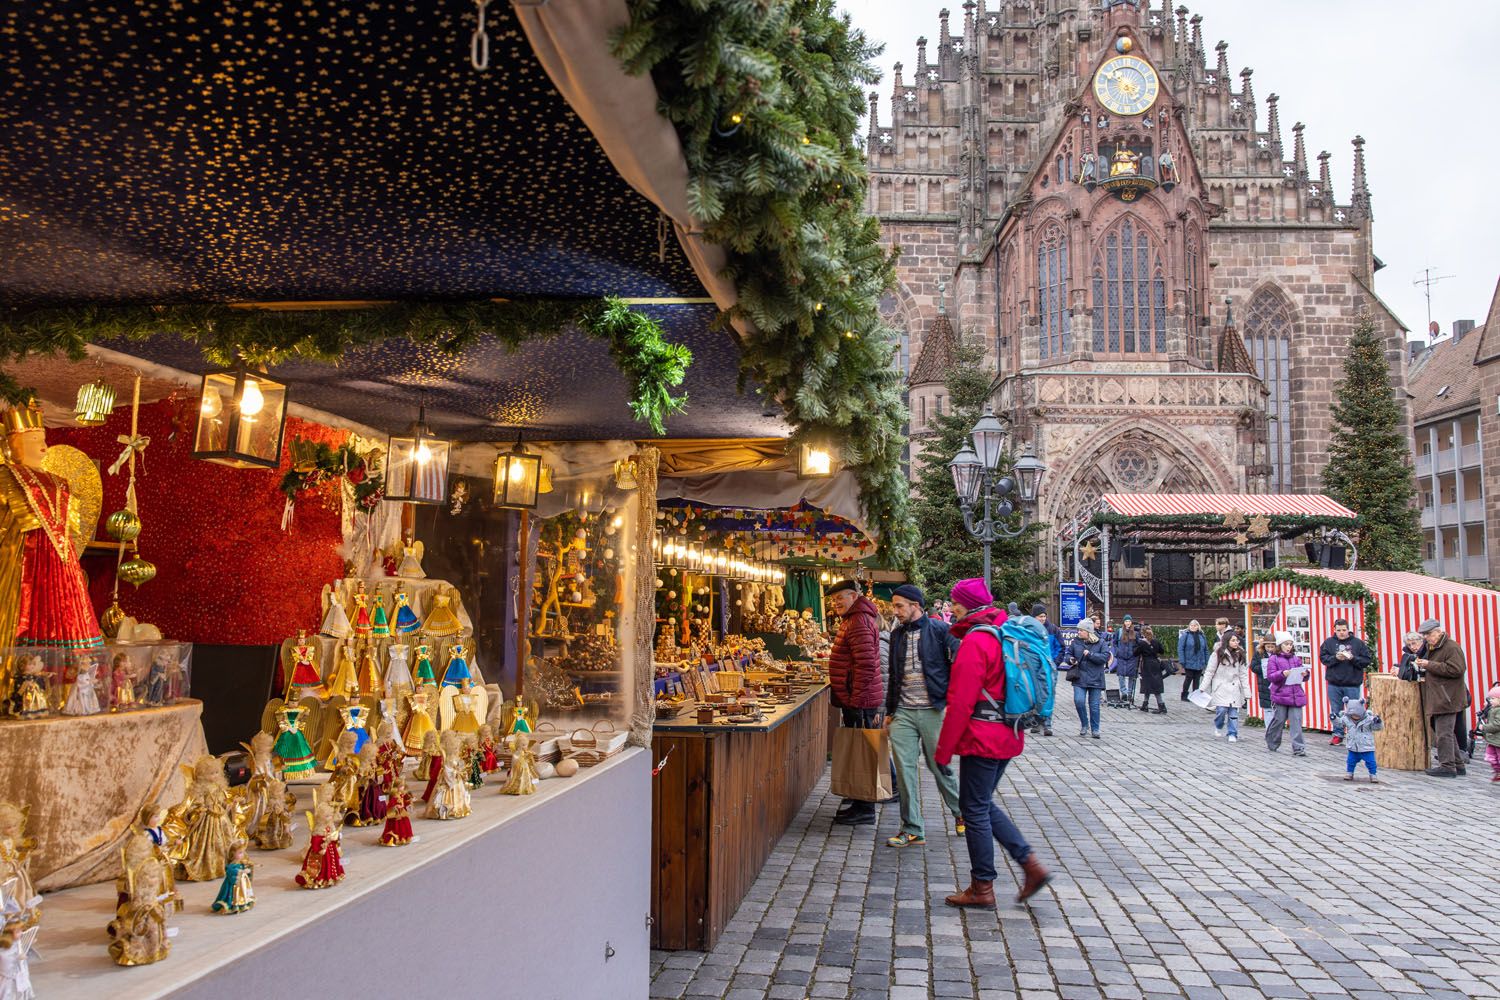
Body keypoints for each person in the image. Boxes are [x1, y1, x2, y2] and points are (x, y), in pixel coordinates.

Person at [935, 579, 1050, 908]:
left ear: (967, 605)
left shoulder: (976, 641)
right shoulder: (1001, 632)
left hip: (982, 738)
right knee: (979, 802)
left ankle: (983, 886)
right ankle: (1031, 866)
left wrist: (943, 751)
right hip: (1008, 732)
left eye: (955, 602)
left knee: (973, 808)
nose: (950, 607)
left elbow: (960, 702)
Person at [884, 584, 962, 847]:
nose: (896, 611)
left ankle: (961, 812)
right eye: (894, 606)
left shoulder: (940, 630)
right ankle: (912, 827)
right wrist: (890, 710)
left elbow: (960, 661)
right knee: (905, 771)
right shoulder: (897, 635)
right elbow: (894, 675)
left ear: (915, 605)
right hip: (904, 711)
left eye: (899, 606)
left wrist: (952, 698)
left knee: (939, 767)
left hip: (933, 710)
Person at [827, 579, 886, 824]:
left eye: (841, 598)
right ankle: (860, 800)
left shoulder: (858, 621)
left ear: (853, 596)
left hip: (860, 698)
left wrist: (856, 699)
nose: (836, 603)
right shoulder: (855, 619)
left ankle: (865, 808)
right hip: (858, 696)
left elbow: (866, 664)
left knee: (866, 750)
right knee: (865, 749)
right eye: (833, 600)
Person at [1415, 618, 1469, 778]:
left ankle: (1447, 767)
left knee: (1443, 733)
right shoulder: (1436, 646)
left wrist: (1429, 664)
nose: (1427, 638)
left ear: (1439, 632)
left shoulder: (1451, 647)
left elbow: (1457, 669)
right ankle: (1457, 765)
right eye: (1425, 635)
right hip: (1442, 696)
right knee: (1446, 732)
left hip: (1448, 697)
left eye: (1429, 634)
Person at [1318, 618, 1373, 747]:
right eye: (1339, 630)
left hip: (1352, 683)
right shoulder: (1328, 643)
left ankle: (1355, 735)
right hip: (1334, 683)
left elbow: (1366, 660)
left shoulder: (1358, 643)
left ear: (1348, 629)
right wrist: (1335, 658)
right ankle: (1338, 735)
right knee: (1336, 711)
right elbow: (1323, 659)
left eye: (1344, 630)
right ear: (1334, 630)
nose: (1341, 633)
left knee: (1354, 711)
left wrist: (1353, 658)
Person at [1264, 631, 1308, 756]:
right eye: (1286, 644)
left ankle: (1299, 748)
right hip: (1281, 694)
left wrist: (1305, 674)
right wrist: (1282, 673)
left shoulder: (1296, 658)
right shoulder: (1274, 658)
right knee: (1279, 720)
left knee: (1296, 721)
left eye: (1290, 644)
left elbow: (1303, 675)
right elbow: (1271, 676)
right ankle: (1272, 740)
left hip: (1295, 694)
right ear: (1280, 645)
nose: (1289, 647)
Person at [1201, 632, 1250, 742]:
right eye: (1233, 640)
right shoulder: (1217, 654)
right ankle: (1219, 724)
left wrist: (1247, 691)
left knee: (1233, 712)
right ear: (1227, 641)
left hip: (1234, 686)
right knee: (1221, 710)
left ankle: (1232, 733)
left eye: (1237, 640)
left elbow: (1243, 674)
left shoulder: (1240, 654)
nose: (1236, 642)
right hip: (1221, 685)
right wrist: (1203, 687)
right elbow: (1209, 672)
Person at [1069, 620, 1110, 739]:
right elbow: (1068, 654)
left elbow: (1105, 657)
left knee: (1094, 705)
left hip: (1095, 678)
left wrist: (1090, 654)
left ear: (1088, 632)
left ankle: (1095, 729)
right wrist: (1070, 659)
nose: (1078, 632)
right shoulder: (1075, 642)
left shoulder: (1101, 642)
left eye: (1081, 630)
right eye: (1078, 630)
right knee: (1079, 701)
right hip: (1079, 677)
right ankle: (1084, 724)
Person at [1029, 604, 1063, 736]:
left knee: (1049, 695)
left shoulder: (1053, 629)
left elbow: (1060, 648)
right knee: (1035, 695)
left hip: (1049, 668)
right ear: (1034, 617)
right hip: (1034, 668)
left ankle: (1047, 723)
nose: (1042, 619)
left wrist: (1054, 663)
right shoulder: (1029, 630)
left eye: (1044, 616)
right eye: (1040, 616)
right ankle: (1036, 722)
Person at [1336, 696, 1382, 782]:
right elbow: (1339, 724)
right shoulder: (1347, 719)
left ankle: (1373, 774)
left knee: (1371, 762)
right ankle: (1349, 773)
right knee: (1350, 761)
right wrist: (1334, 719)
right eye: (1352, 715)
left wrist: (1378, 722)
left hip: (1367, 747)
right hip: (1353, 746)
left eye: (1357, 715)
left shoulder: (1369, 719)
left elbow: (1377, 728)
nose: (1355, 716)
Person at [1135, 626, 1167, 713]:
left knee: (1149, 684)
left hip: (1147, 665)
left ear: (1143, 634)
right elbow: (1162, 651)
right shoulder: (1156, 641)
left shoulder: (1142, 643)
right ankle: (1145, 704)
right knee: (1152, 684)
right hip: (1156, 664)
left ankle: (1162, 706)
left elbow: (1135, 653)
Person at [1177, 620, 1210, 702]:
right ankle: (1184, 695)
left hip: (1199, 661)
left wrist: (1207, 661)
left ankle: (1195, 696)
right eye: (1191, 625)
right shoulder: (1185, 635)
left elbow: (1206, 649)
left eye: (1195, 625)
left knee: (1197, 679)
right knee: (1188, 678)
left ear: (1198, 626)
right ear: (1189, 626)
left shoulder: (1202, 636)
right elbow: (1180, 648)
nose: (1193, 627)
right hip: (1189, 661)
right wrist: (1182, 660)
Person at [1112, 617, 1139, 707]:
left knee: (1132, 676)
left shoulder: (1135, 633)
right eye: (1126, 621)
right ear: (1124, 622)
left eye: (1129, 621)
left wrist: (1135, 653)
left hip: (1132, 658)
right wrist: (1117, 651)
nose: (1128, 623)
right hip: (1121, 657)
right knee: (1121, 675)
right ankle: (1124, 693)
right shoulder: (1119, 631)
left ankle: (1130, 693)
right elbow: (1114, 642)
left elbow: (1138, 644)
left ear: (1131, 622)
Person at [1249, 634, 1275, 713]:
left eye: (1272, 647)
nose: (1270, 649)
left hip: (1275, 681)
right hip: (1264, 683)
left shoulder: (1277, 654)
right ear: (1264, 646)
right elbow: (1253, 666)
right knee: (1268, 709)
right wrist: (1263, 667)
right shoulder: (1259, 653)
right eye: (1268, 647)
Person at [1480, 685, 1500, 783]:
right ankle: (1497, 771)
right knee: (1491, 756)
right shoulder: (1493, 709)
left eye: (1493, 698)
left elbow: (1497, 724)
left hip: (1498, 739)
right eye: (1490, 698)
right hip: (1493, 739)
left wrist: (1485, 728)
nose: (1490, 701)